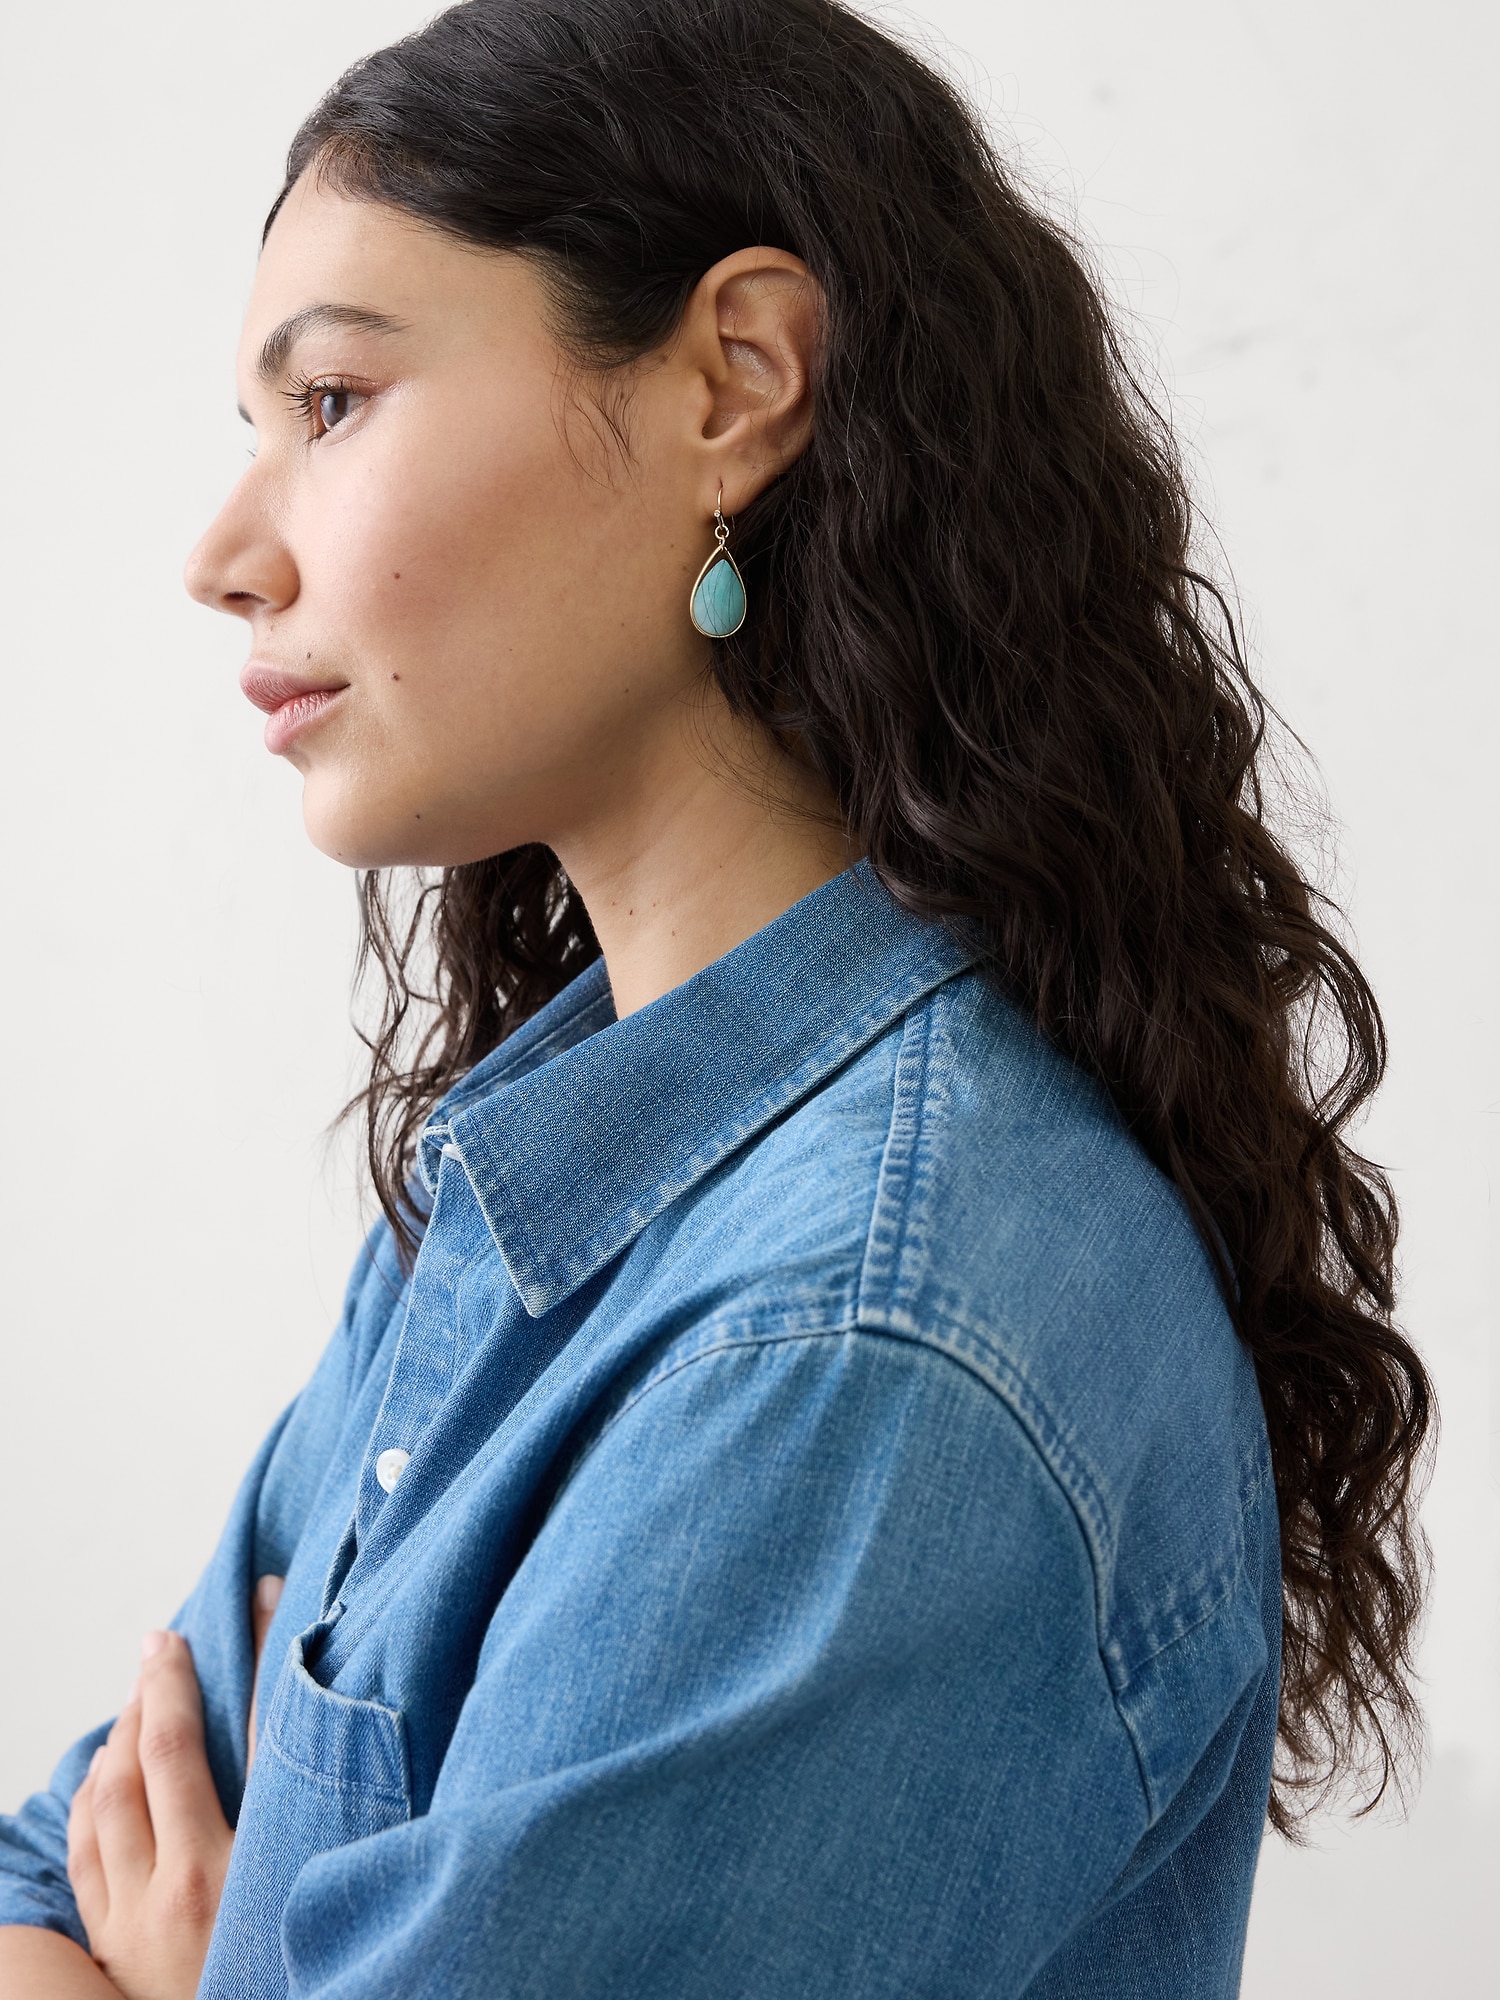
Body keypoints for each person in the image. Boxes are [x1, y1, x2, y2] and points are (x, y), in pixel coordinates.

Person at [0, 1, 1432, 1994]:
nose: (225, 553)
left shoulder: (857, 1350)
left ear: (734, 381)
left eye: (330, 401)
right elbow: (55, 1854)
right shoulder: (541, 1185)